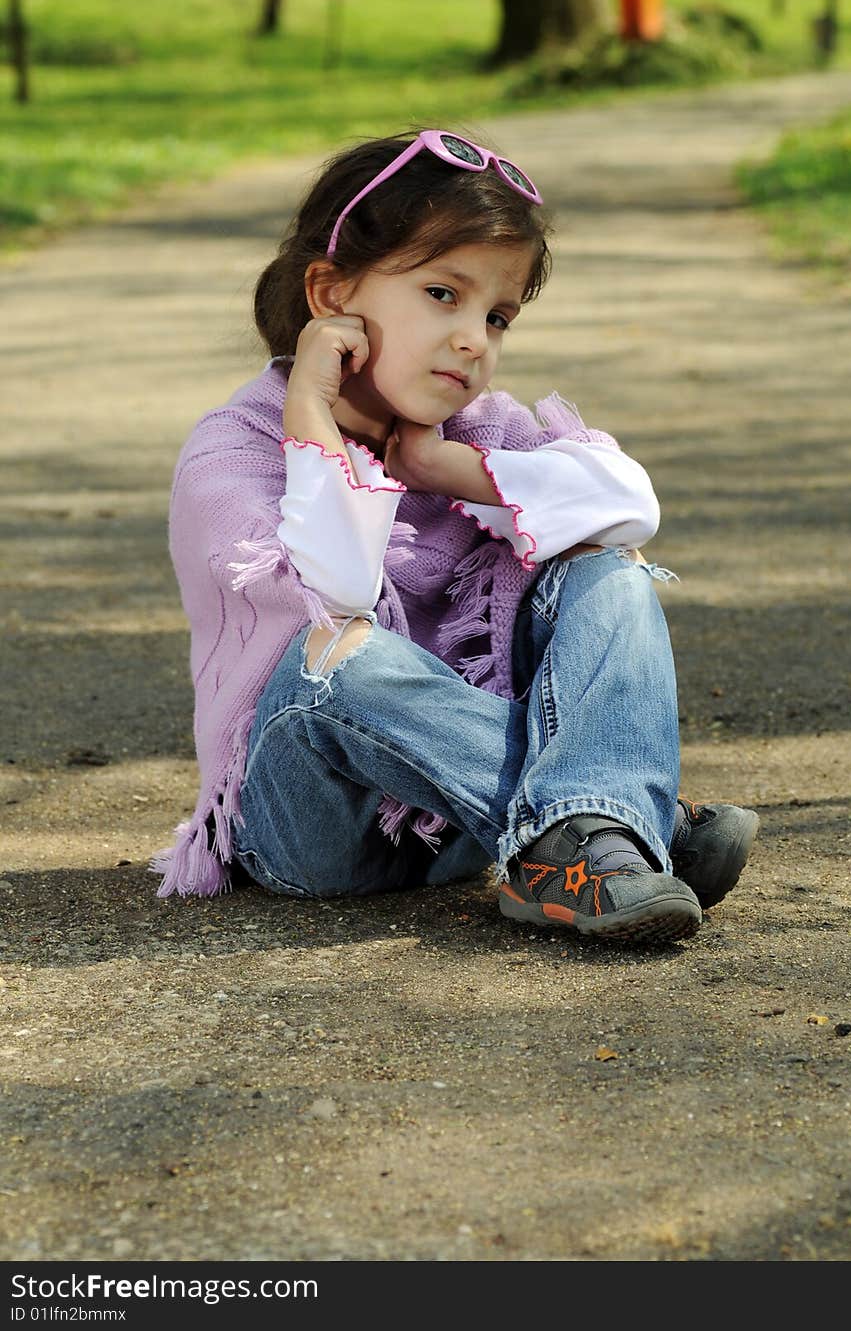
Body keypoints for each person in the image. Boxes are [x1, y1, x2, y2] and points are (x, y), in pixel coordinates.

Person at [151, 128, 759, 947]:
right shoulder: (232, 453)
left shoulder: (475, 434)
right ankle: (619, 819)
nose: (475, 338)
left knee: (607, 570)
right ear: (331, 295)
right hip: (309, 830)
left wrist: (456, 472)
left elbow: (628, 506)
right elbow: (334, 597)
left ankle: (575, 849)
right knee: (337, 656)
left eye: (498, 314)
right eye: (444, 294)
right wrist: (312, 421)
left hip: (457, 830)